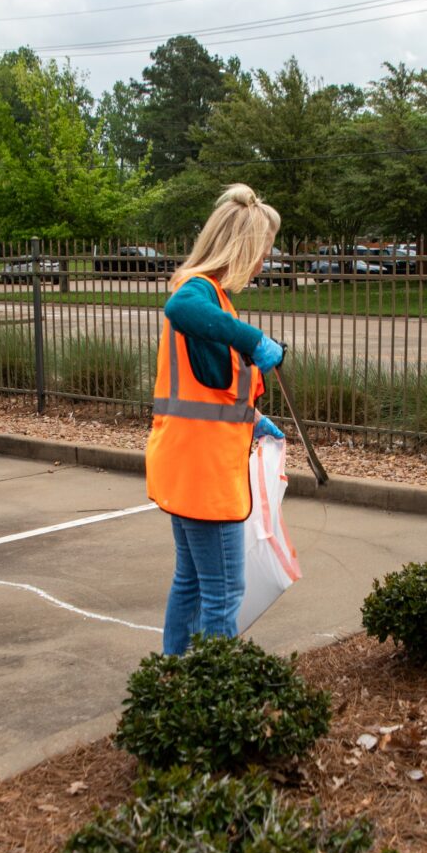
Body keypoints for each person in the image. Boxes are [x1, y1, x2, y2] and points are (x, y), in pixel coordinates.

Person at [146, 184, 286, 656]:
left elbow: (207, 385)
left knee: (191, 581)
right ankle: (213, 698)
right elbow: (179, 308)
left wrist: (253, 418)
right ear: (243, 249)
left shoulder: (214, 301)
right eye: (263, 252)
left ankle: (173, 681)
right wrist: (251, 339)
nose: (265, 263)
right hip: (205, 475)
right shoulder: (197, 294)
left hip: (186, 465)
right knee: (223, 592)